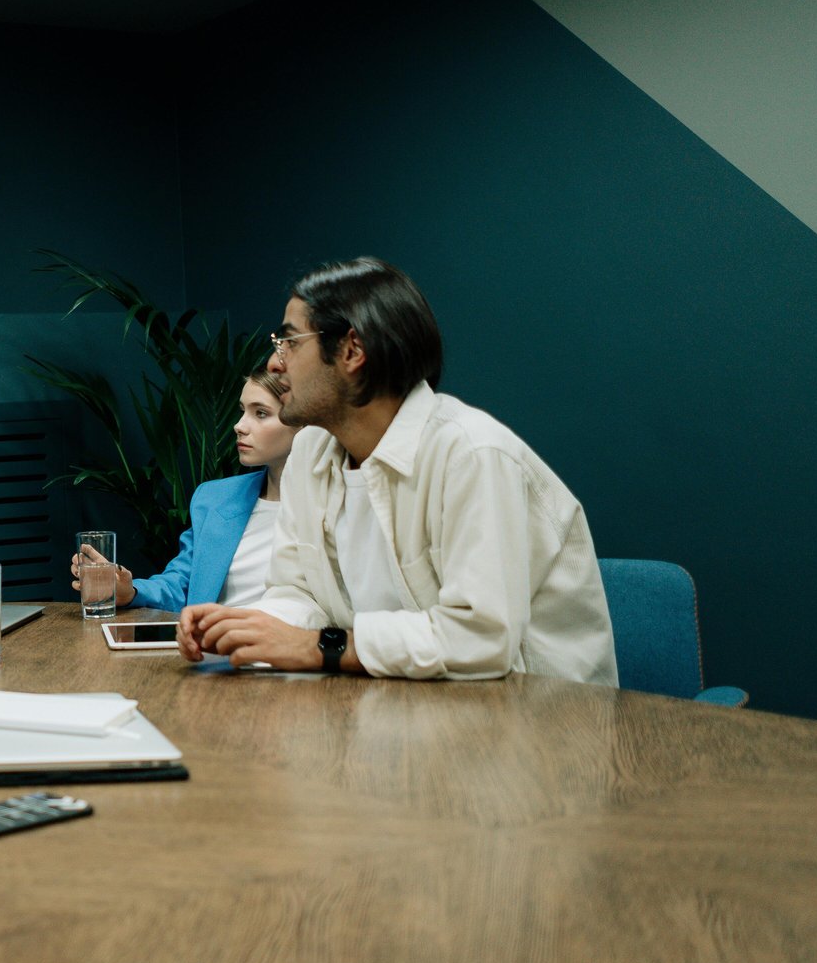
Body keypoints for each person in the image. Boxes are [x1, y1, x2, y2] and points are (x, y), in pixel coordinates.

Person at [178, 256, 617, 684]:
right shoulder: (310, 451)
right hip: (401, 708)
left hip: (538, 727)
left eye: (290, 342)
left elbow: (481, 640)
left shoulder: (472, 454)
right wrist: (247, 628)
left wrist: (319, 647)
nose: (276, 363)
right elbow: (298, 591)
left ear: (351, 350)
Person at [69, 368, 299, 612]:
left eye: (261, 413)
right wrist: (128, 591)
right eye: (243, 411)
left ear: (307, 422)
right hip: (204, 645)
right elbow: (181, 584)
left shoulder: (334, 506)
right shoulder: (215, 498)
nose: (238, 426)